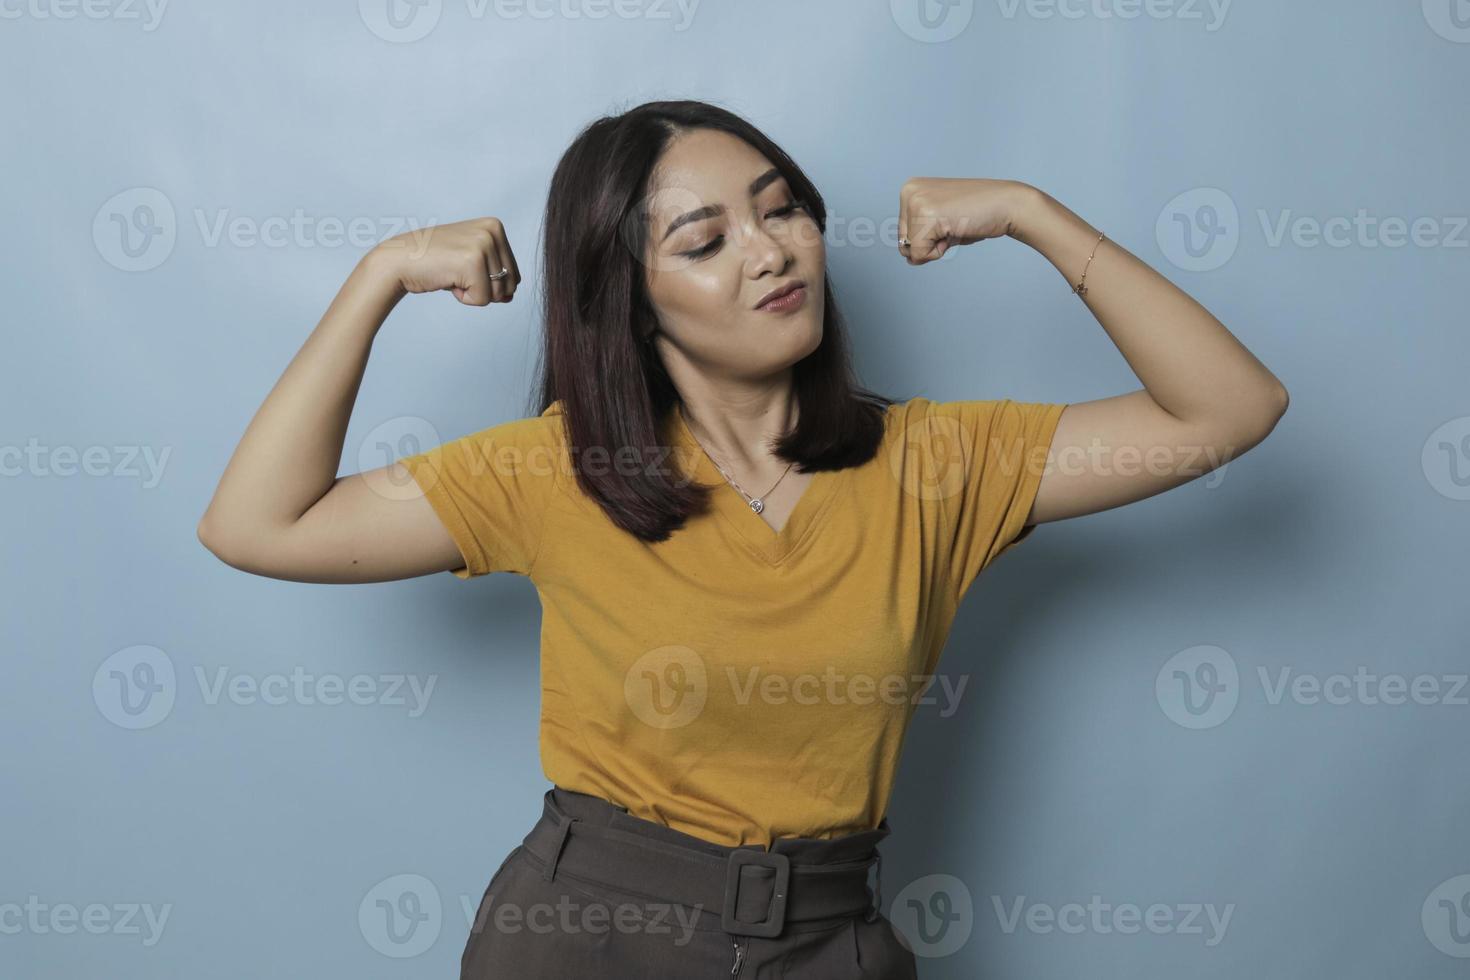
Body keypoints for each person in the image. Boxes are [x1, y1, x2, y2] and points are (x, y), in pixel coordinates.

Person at [196, 99, 1288, 978]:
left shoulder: (936, 465)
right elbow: (255, 522)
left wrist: (1034, 213)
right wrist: (378, 277)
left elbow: (1227, 409)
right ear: (634, 300)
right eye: (707, 240)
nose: (771, 253)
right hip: (588, 938)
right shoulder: (554, 468)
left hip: (831, 935)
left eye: (784, 211)